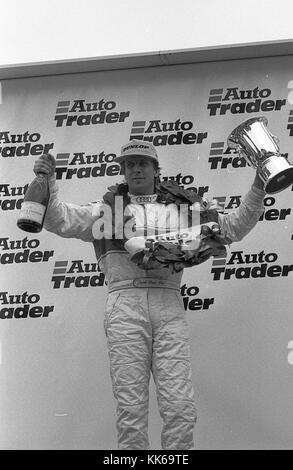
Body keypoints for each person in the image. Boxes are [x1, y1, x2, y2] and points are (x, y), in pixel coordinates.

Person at [33, 139, 266, 450]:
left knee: (180, 406)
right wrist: (47, 180)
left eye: (143, 163)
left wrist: (260, 185)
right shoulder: (106, 209)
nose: (136, 169)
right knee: (131, 408)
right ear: (123, 171)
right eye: (129, 164)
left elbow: (232, 228)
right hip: (124, 304)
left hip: (168, 302)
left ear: (157, 169)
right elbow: (58, 219)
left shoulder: (184, 207)